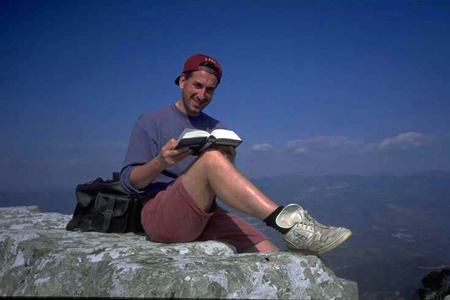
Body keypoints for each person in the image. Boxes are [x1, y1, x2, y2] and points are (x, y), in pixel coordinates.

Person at [120, 53, 352, 254]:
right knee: (210, 159)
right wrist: (160, 161)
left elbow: (220, 182)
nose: (202, 96)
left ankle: (293, 236)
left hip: (203, 212)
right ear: (182, 81)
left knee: (269, 252)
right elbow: (130, 182)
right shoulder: (151, 121)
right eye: (197, 86)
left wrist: (228, 159)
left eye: (210, 90)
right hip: (160, 215)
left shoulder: (215, 126)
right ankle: (289, 223)